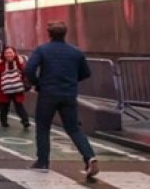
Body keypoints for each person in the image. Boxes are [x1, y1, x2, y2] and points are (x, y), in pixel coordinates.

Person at [24, 21, 99, 180]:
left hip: (47, 94)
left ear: (49, 34)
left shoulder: (42, 50)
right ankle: (89, 157)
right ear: (65, 33)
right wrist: (71, 81)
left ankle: (43, 162)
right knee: (73, 129)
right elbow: (86, 73)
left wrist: (38, 83)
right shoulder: (75, 52)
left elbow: (29, 69)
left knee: (43, 128)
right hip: (69, 94)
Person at [0, 47, 31, 130]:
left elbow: (25, 72)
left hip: (17, 88)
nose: (9, 55)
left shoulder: (19, 62)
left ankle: (25, 121)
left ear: (14, 53)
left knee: (19, 105)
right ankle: (4, 121)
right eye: (7, 53)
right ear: (3, 54)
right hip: (3, 89)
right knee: (4, 107)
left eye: (11, 52)